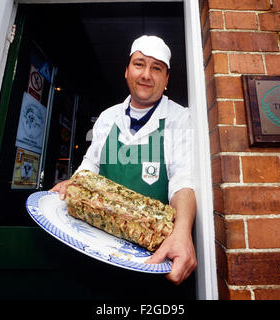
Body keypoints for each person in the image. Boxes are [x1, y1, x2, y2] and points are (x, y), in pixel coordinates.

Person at [51, 35, 197, 286]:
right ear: (127, 71)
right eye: (139, 64)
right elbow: (90, 166)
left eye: (157, 68)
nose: (146, 75)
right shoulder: (107, 117)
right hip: (98, 245)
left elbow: (183, 180)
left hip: (151, 256)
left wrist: (183, 231)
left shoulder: (179, 119)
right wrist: (71, 184)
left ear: (166, 79)